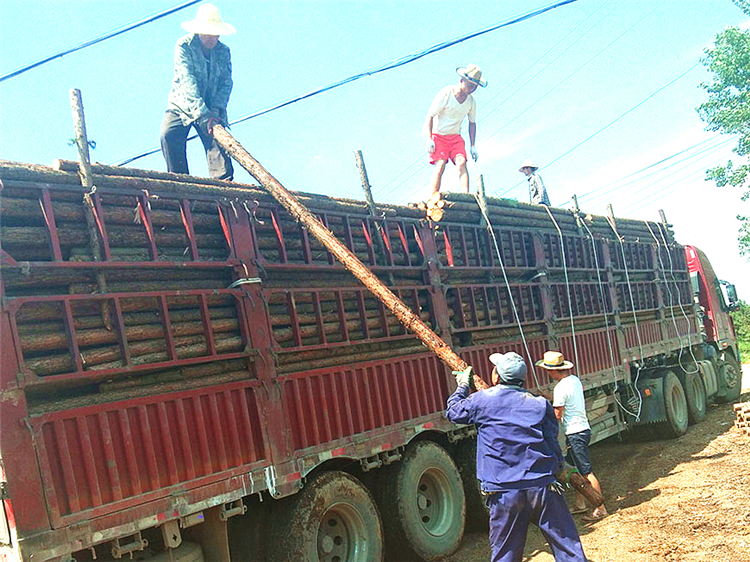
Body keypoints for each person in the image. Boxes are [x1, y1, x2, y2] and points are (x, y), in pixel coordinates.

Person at [446, 353, 588, 562]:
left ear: (496, 377)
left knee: (506, 556)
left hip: (505, 493)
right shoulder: (539, 404)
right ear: (522, 380)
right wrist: (560, 466)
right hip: (542, 488)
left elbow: (453, 412)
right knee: (568, 550)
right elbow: (553, 444)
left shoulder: (482, 401)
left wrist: (462, 385)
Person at [160, 3, 235, 180]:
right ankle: (180, 180)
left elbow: (226, 83)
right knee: (169, 135)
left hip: (212, 107)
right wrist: (201, 114)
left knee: (218, 141)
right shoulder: (184, 46)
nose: (212, 38)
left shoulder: (223, 52)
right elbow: (187, 80)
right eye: (208, 33)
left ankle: (224, 184)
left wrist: (216, 110)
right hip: (183, 103)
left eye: (215, 34)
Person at [536, 351, 608, 522]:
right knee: (576, 469)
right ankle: (580, 504)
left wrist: (541, 417)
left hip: (575, 432)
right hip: (582, 429)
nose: (547, 373)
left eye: (547, 370)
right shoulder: (573, 380)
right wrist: (547, 397)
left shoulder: (560, 387)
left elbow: (557, 415)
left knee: (586, 472)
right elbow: (565, 400)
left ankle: (601, 508)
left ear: (554, 371)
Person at [424, 64, 486, 196]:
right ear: (462, 81)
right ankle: (433, 195)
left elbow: (472, 123)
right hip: (438, 136)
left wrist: (473, 145)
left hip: (455, 137)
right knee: (440, 164)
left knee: (461, 162)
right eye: (470, 85)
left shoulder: (471, 101)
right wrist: (429, 139)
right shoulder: (446, 93)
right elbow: (430, 115)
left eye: (474, 87)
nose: (472, 89)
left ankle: (466, 195)